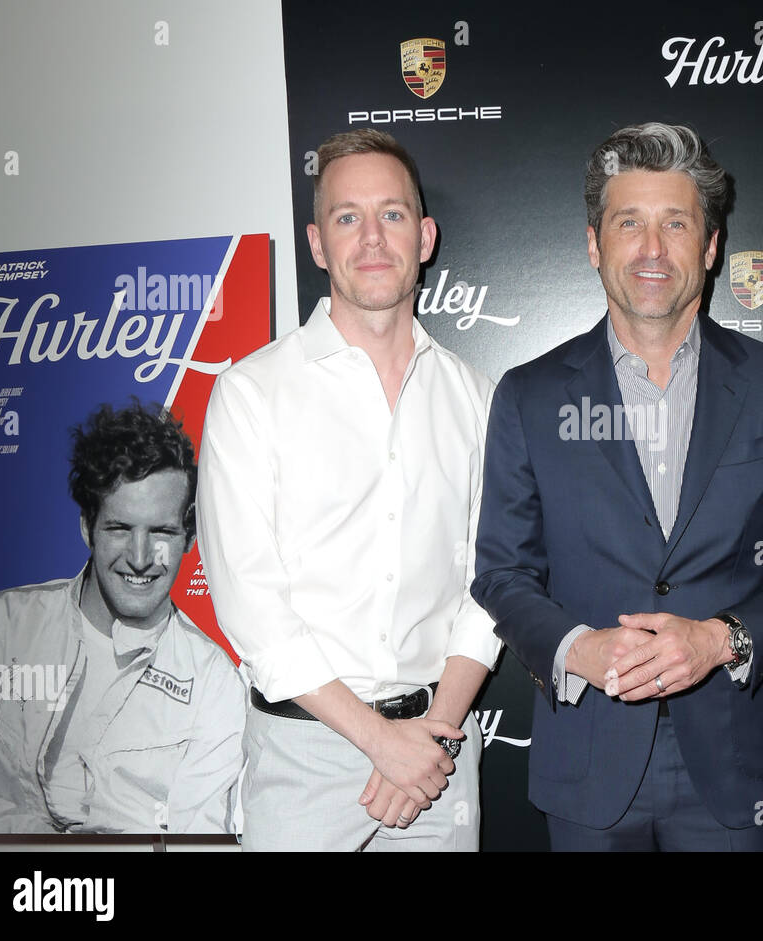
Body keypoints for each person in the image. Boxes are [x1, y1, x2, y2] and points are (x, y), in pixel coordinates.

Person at [471, 122, 763, 850]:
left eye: (675, 224)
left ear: (709, 249)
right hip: (587, 762)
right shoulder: (529, 395)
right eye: (629, 224)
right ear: (593, 245)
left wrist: (720, 639)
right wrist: (579, 649)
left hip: (736, 765)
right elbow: (503, 571)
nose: (651, 248)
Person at [196, 128, 500, 851]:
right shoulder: (251, 394)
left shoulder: (477, 397)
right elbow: (251, 606)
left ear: (424, 236)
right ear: (317, 242)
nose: (371, 238)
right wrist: (378, 740)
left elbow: (493, 581)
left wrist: (430, 736)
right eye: (347, 217)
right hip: (303, 756)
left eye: (392, 214)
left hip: (440, 751)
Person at [0, 402, 245, 834]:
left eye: (162, 532)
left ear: (189, 538)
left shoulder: (214, 684)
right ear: (86, 527)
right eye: (119, 529)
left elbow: (199, 842)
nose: (139, 558)